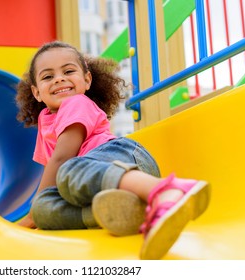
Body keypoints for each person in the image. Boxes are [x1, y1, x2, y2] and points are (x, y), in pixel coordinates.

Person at [15, 41, 210, 260]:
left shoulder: (76, 103)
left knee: (68, 171)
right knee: (45, 208)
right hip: (101, 183)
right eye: (48, 77)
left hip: (123, 158)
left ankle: (166, 189)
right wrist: (37, 211)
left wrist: (29, 217)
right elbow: (50, 173)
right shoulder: (46, 120)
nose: (59, 78)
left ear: (87, 80)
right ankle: (125, 212)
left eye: (68, 71)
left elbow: (61, 159)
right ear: (36, 92)